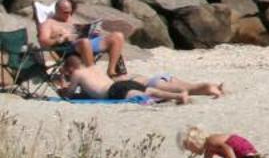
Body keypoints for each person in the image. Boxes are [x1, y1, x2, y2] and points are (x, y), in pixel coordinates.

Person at [59, 53, 224, 103]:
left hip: (112, 91)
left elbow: (69, 94)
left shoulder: (77, 74)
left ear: (71, 67)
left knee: (146, 94)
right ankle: (179, 95)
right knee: (150, 90)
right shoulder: (93, 67)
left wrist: (62, 81)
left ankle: (178, 96)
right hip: (121, 84)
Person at [38, 0, 128, 77]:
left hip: (87, 42)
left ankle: (111, 71)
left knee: (117, 36)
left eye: (70, 12)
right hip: (69, 48)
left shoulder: (70, 19)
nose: (69, 15)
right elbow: (43, 40)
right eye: (65, 12)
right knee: (84, 41)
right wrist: (59, 39)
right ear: (57, 10)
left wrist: (93, 31)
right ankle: (93, 73)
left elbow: (82, 32)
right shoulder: (48, 24)